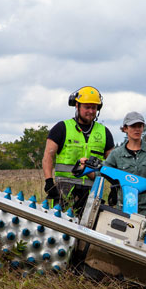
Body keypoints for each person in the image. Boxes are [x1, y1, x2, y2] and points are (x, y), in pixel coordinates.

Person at [42, 85, 115, 214]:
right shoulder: (61, 128)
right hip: (63, 190)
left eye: (94, 107)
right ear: (77, 105)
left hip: (92, 191)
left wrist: (115, 187)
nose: (91, 111)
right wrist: (49, 182)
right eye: (87, 107)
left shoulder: (104, 132)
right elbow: (48, 156)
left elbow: (112, 164)